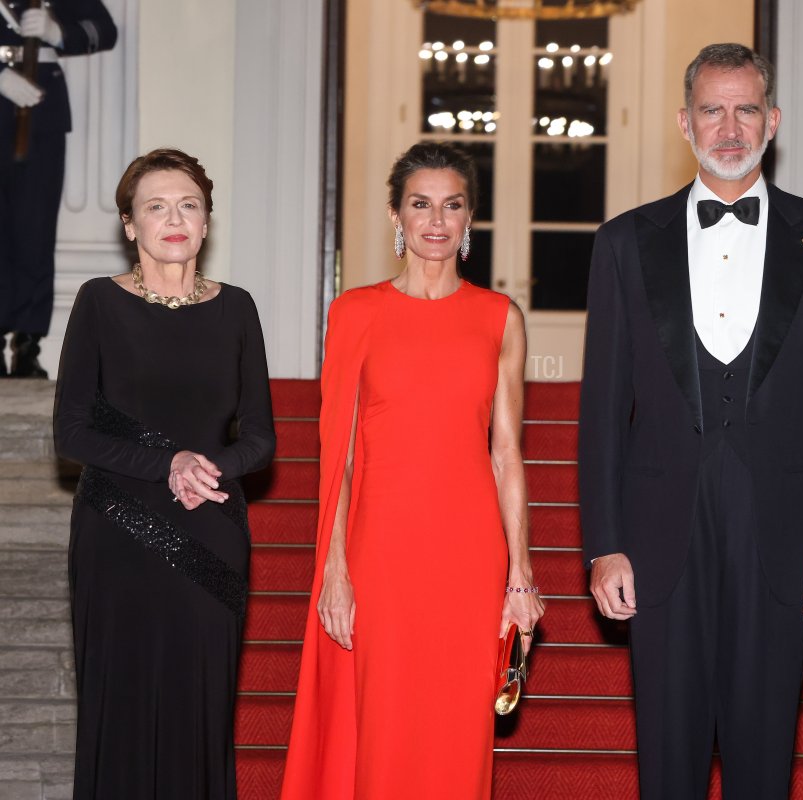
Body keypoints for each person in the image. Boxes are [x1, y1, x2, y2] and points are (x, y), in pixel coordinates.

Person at [578, 43, 803, 799]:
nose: (730, 127)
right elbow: (602, 411)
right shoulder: (622, 243)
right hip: (657, 533)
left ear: (773, 120)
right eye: (713, 109)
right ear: (685, 123)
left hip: (782, 531)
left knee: (763, 757)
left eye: (747, 109)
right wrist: (604, 545)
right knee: (667, 763)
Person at [280, 142, 544, 799]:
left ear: (470, 219)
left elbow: (506, 451)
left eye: (452, 205)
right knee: (384, 727)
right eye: (420, 204)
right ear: (395, 216)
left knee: (456, 732)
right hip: (380, 552)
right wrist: (334, 570)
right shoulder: (355, 314)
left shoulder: (499, 319)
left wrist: (520, 571)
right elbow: (337, 453)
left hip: (466, 554)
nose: (436, 220)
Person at [54, 148, 276, 798]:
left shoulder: (236, 309)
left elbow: (261, 437)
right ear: (130, 224)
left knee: (199, 706)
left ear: (207, 222)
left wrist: (209, 468)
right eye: (156, 206)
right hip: (116, 532)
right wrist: (165, 462)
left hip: (211, 534)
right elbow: (71, 433)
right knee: (117, 704)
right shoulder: (99, 303)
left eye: (189, 205)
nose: (174, 218)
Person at [1, 0, 117, 377]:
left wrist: (56, 32)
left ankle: (27, 343)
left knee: (34, 230)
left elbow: (103, 29)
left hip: (39, 112)